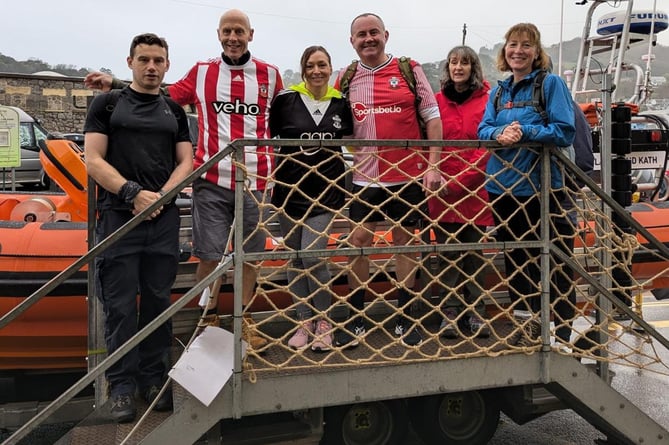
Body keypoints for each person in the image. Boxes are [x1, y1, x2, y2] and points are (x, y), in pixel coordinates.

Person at [85, 9, 284, 351]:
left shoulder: (271, 75)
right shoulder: (203, 71)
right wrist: (116, 84)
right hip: (210, 180)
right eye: (226, 31)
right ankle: (208, 319)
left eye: (239, 31)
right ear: (218, 34)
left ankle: (245, 320)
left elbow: (284, 118)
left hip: (256, 179)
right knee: (209, 253)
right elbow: (162, 93)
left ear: (251, 34)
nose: (232, 37)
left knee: (251, 255)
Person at [84, 33, 193, 423]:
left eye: (158, 60)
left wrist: (161, 196)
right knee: (119, 307)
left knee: (157, 303)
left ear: (167, 65)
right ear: (129, 62)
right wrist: (132, 192)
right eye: (144, 59)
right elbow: (92, 158)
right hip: (118, 218)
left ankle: (152, 379)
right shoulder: (108, 104)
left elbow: (186, 161)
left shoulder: (173, 111)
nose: (151, 67)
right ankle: (122, 388)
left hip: (162, 220)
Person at [334, 13, 443, 348]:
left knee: (406, 244)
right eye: (361, 35)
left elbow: (433, 118)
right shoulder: (346, 76)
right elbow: (331, 120)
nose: (368, 39)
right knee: (358, 244)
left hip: (408, 175)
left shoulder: (409, 69)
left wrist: (433, 166)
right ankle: (356, 316)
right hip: (364, 176)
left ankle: (406, 316)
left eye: (374, 33)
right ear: (352, 41)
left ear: (386, 35)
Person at [477, 23, 575, 346]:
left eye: (525, 45)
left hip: (543, 188)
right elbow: (483, 130)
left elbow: (564, 130)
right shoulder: (499, 91)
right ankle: (526, 324)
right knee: (516, 260)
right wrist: (499, 135)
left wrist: (526, 132)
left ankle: (560, 332)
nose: (518, 50)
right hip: (503, 189)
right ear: (505, 51)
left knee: (555, 259)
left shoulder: (550, 85)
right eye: (512, 44)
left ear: (536, 52)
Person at [269, 46, 354, 352]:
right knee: (294, 259)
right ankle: (303, 321)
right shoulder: (285, 100)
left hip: (325, 192)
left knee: (313, 256)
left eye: (322, 65)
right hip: (289, 192)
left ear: (331, 68)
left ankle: (324, 322)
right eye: (310, 65)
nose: (317, 70)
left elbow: (354, 144)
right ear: (303, 69)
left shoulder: (341, 103)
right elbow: (268, 138)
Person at [428, 46, 494, 339]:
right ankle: (449, 312)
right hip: (441, 191)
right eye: (453, 62)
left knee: (474, 255)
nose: (458, 67)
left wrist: (462, 180)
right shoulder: (436, 102)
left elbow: (487, 147)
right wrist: (437, 178)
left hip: (476, 190)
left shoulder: (487, 100)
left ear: (473, 68)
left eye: (464, 63)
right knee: (447, 255)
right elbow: (429, 143)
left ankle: (477, 312)